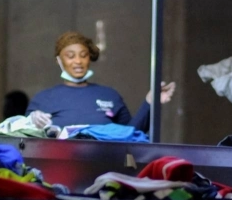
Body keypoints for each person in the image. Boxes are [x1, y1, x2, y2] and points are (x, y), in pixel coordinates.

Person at [27, 31, 175, 132]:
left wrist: (150, 103)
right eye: (70, 56)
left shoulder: (109, 95)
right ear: (59, 60)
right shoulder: (43, 99)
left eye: (83, 55)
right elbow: (20, 137)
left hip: (106, 169)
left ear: (89, 58)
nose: (78, 61)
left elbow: (131, 135)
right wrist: (30, 122)